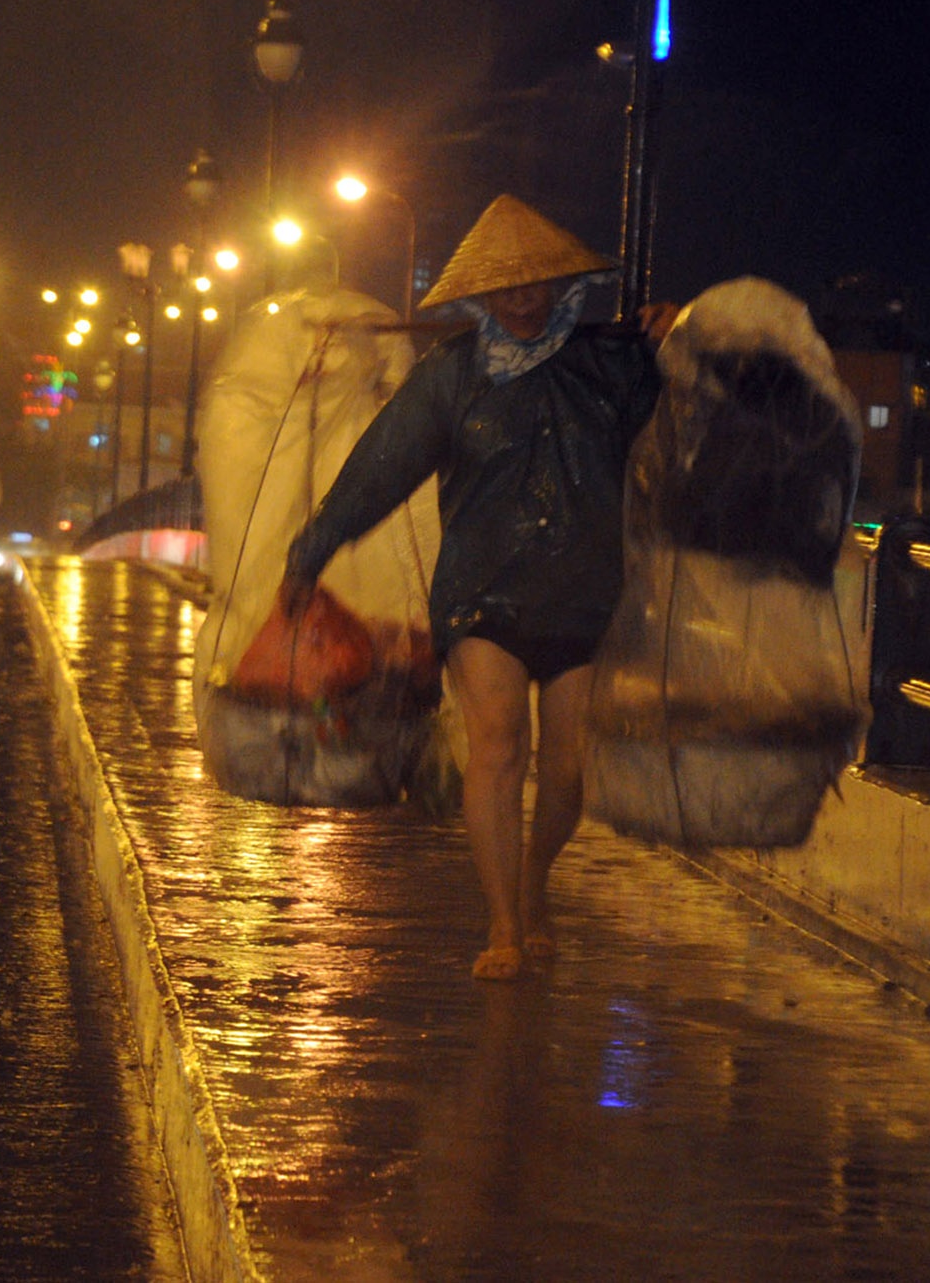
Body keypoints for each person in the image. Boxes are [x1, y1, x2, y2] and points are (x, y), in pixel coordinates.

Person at [283, 195, 677, 981]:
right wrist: (312, 550)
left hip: (586, 593)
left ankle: (536, 877)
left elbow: (698, 404)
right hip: (481, 594)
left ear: (563, 284)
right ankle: (503, 922)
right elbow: (380, 467)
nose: (522, 299)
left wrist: (680, 335)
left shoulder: (612, 364)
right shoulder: (452, 375)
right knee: (500, 749)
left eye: (535, 283)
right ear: (479, 296)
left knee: (568, 769)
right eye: (504, 288)